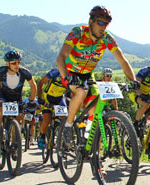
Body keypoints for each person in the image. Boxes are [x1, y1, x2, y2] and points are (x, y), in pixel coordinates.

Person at [56, 5, 139, 146]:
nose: (103, 27)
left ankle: (87, 136)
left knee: (97, 106)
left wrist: (134, 81)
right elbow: (61, 57)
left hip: (88, 74)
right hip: (70, 72)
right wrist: (66, 76)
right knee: (81, 92)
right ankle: (68, 127)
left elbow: (122, 61)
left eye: (106, 24)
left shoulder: (107, 38)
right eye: (100, 22)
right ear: (91, 21)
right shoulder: (78, 32)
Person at [0, 50, 37, 146]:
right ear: (7, 63)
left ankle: (15, 143)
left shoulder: (24, 72)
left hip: (17, 96)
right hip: (3, 95)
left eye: (19, 62)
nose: (17, 65)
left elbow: (33, 85)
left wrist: (32, 100)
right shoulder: (0, 71)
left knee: (19, 117)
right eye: (14, 63)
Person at [37, 68, 67, 149]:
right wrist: (40, 98)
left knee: (65, 118)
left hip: (59, 99)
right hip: (47, 98)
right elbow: (41, 82)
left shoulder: (72, 75)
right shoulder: (55, 72)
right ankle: (42, 136)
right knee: (47, 120)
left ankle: (62, 136)